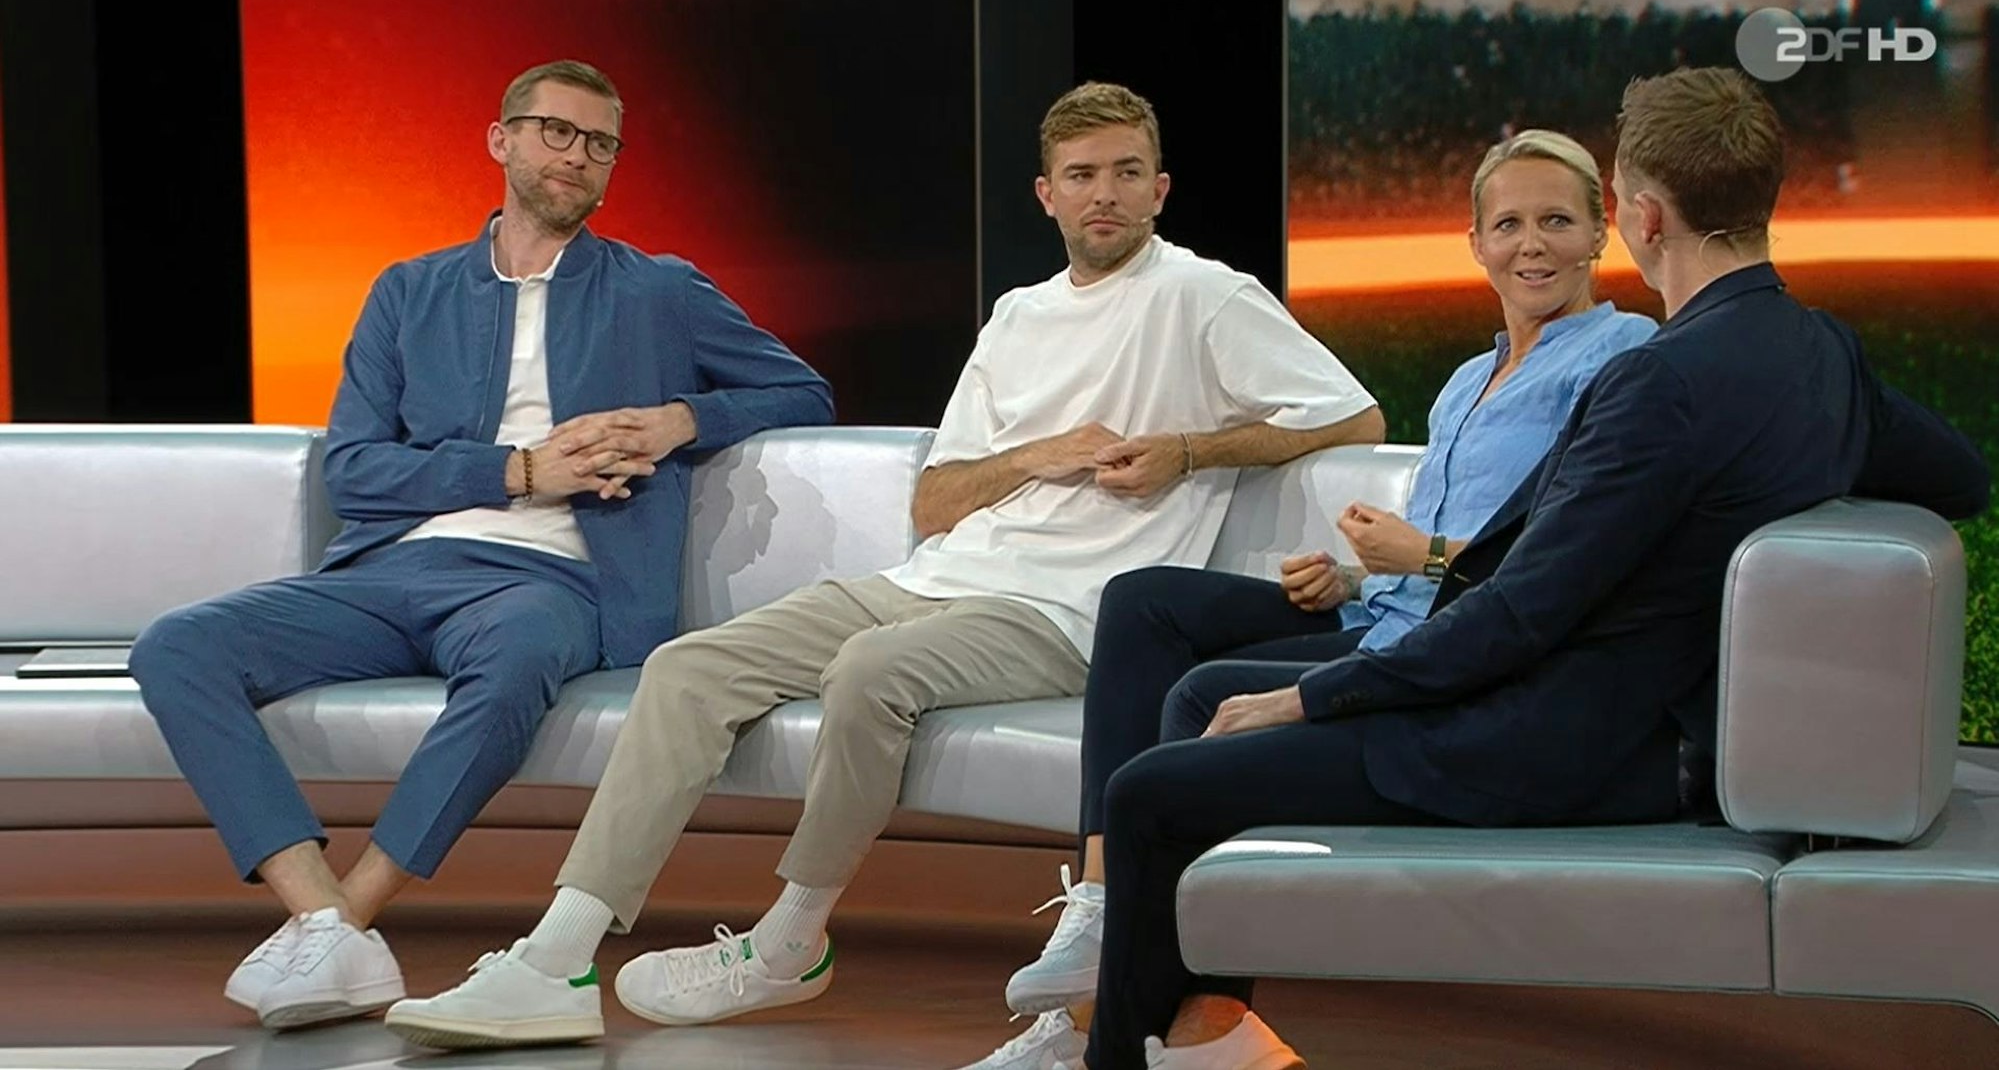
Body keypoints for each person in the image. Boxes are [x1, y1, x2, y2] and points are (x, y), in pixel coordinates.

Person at [382, 80, 1386, 1049]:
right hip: (939, 578)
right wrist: (1036, 455)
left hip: (1068, 610)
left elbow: (1354, 416)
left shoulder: (1207, 296)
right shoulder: (1017, 316)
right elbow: (934, 499)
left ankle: (788, 941)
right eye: (1081, 174)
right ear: (1047, 194)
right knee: (688, 667)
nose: (1105, 194)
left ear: (1161, 188)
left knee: (869, 672)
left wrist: (1186, 449)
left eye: (1128, 172)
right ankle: (557, 956)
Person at [1068, 67, 1991, 1070]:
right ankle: (1199, 1039)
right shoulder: (1822, 354)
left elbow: (1517, 615)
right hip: (1632, 723)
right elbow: (1960, 476)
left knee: (1151, 789)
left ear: (1637, 214)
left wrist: (1313, 696)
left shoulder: (1657, 380)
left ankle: (1114, 1055)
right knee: (1194, 737)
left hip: (1563, 742)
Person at [128, 59, 834, 1031]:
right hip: (397, 568)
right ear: (500, 139)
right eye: (556, 131)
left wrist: (680, 419)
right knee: (178, 644)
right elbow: (356, 470)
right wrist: (515, 472)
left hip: (552, 580)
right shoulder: (408, 291)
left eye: (600, 143)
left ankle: (351, 919)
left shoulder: (660, 291)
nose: (577, 157)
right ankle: (319, 912)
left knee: (510, 670)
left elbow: (803, 393)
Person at [958, 128, 1657, 1070]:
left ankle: (1144, 1019)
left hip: (1464, 644)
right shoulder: (1465, 378)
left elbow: (1570, 557)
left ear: (1599, 234)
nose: (1531, 244)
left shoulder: (1620, 358)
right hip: (1389, 612)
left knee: (1198, 706)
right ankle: (1108, 923)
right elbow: (1439, 550)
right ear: (1476, 244)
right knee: (1144, 603)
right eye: (1509, 225)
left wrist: (1428, 555)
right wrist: (1360, 574)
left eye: (1555, 223)